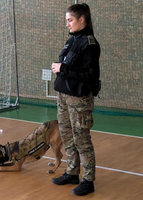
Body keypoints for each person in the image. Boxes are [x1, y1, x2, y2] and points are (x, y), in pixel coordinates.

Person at [51, 3, 100, 196]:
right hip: (64, 95)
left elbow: (90, 74)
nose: (67, 24)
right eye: (66, 20)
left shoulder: (89, 43)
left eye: (70, 20)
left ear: (82, 19)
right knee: (66, 135)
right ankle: (72, 171)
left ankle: (88, 180)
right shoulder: (73, 40)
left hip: (79, 99)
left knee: (82, 139)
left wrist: (63, 69)